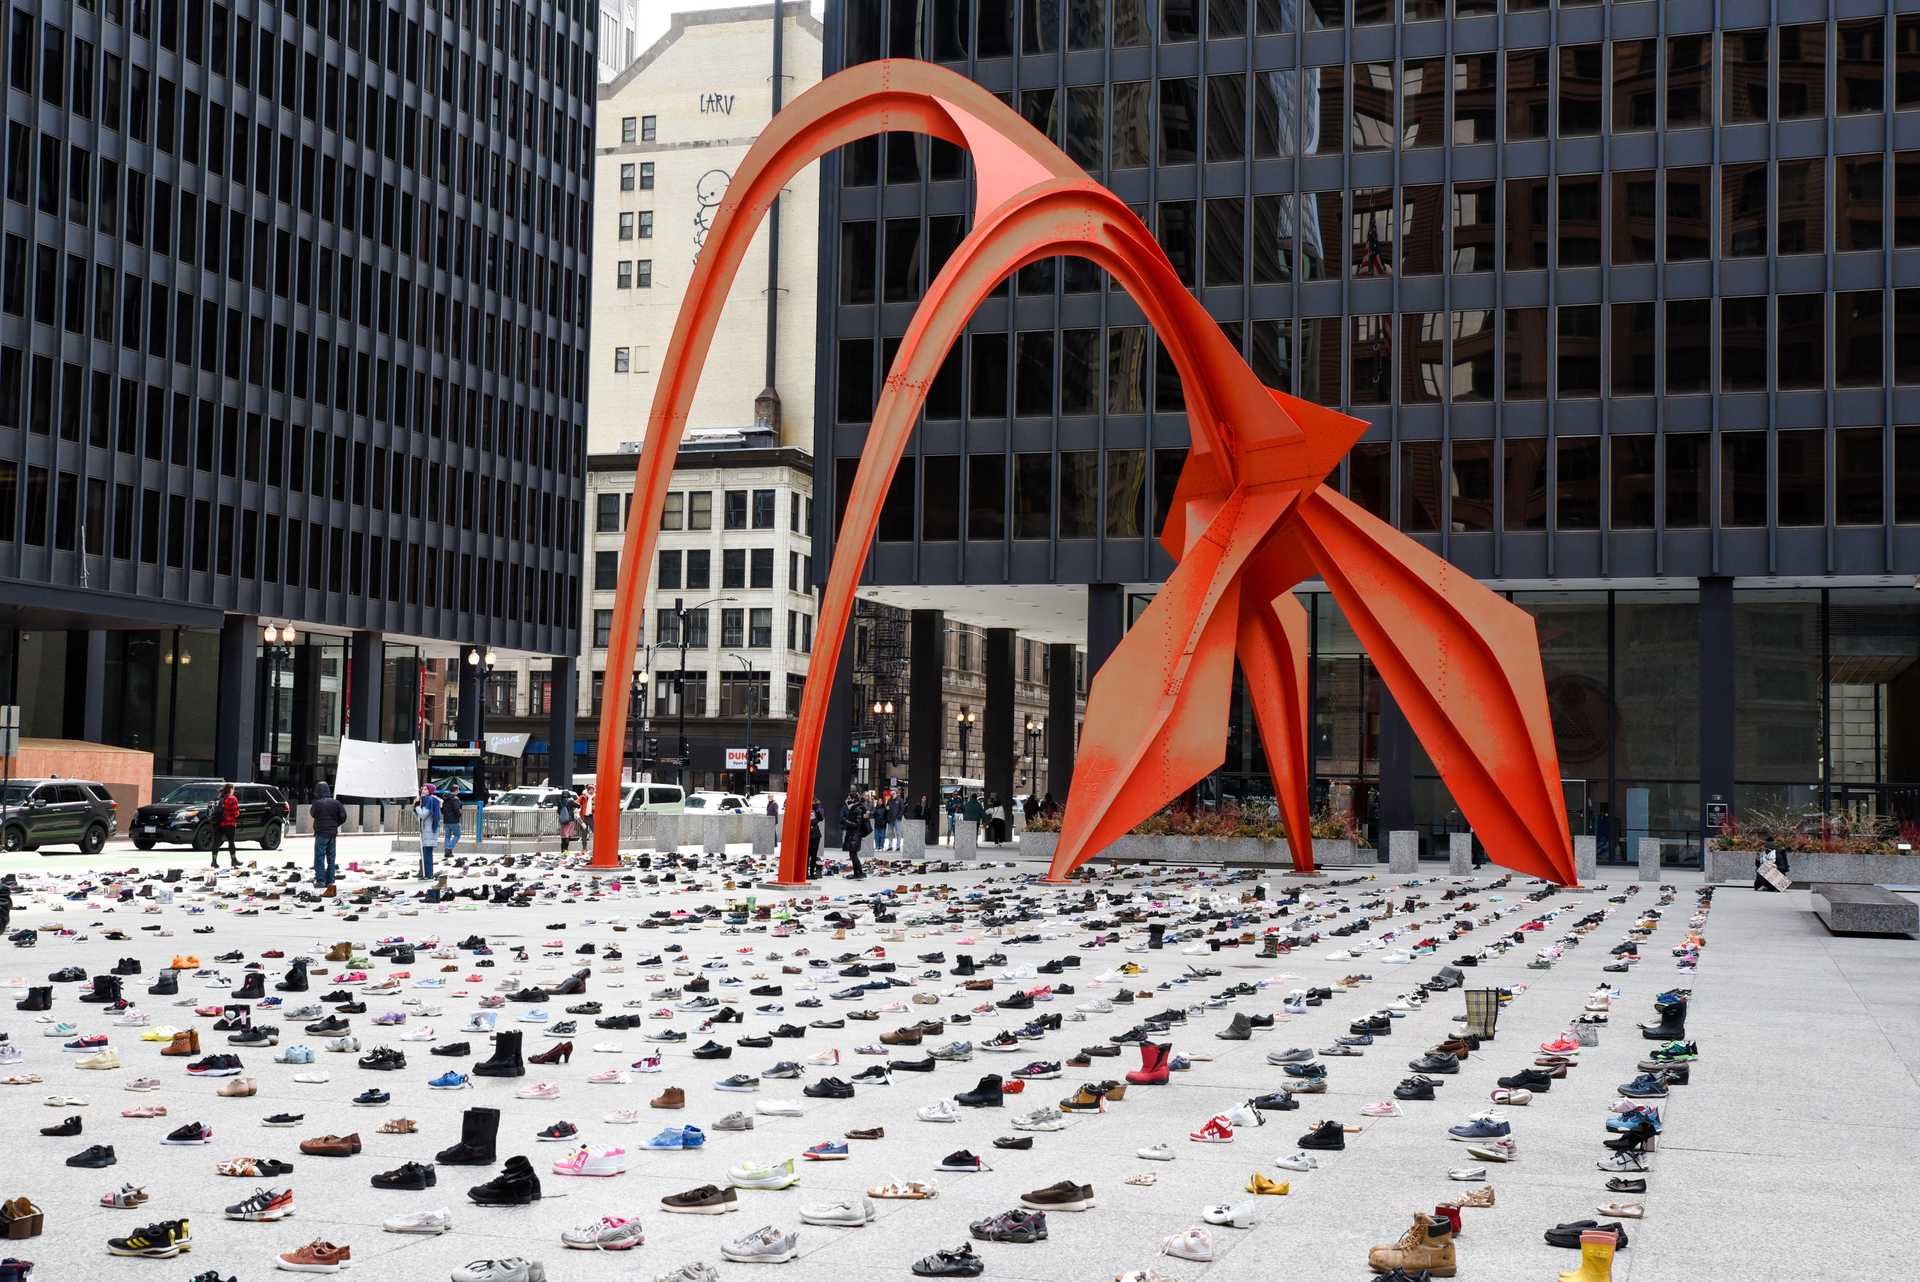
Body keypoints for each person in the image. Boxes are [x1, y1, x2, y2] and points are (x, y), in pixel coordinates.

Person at [309, 782, 347, 895]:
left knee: (319, 857)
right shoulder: (337, 803)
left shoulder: (317, 803)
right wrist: (335, 824)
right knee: (331, 857)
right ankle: (330, 880)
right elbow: (343, 816)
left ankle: (321, 880)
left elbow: (313, 814)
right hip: (332, 833)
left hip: (321, 833)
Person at [415, 784, 442, 880]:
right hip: (426, 831)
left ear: (430, 791)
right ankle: (426, 874)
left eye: (426, 789)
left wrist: (417, 807)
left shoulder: (430, 801)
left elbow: (423, 815)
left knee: (427, 854)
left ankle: (429, 875)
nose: (423, 790)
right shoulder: (426, 801)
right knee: (425, 853)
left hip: (429, 831)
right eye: (423, 789)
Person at [840, 792, 869, 880]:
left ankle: (859, 873)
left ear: (853, 799)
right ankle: (857, 873)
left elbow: (857, 824)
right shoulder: (853, 808)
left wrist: (845, 821)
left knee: (853, 854)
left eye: (849, 798)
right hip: (852, 834)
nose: (847, 800)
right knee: (852, 854)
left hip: (855, 834)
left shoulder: (857, 809)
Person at [212, 783, 241, 869]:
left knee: (216, 842)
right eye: (233, 789)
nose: (234, 791)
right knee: (231, 842)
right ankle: (233, 860)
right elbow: (236, 813)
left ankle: (214, 861)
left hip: (217, 823)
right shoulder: (232, 799)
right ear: (231, 789)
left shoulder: (219, 798)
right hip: (229, 823)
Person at [440, 787, 464, 859]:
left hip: (446, 820)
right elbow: (457, 810)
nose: (459, 791)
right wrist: (460, 814)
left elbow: (442, 810)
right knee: (457, 835)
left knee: (447, 836)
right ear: (456, 790)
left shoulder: (445, 798)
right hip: (454, 820)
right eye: (458, 790)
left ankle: (447, 852)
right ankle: (449, 849)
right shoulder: (455, 799)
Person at [555, 789, 579, 855]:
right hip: (570, 821)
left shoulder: (560, 802)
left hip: (563, 821)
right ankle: (566, 850)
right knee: (567, 836)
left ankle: (562, 851)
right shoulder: (571, 801)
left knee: (563, 836)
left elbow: (558, 811)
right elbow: (579, 805)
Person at [807, 801, 824, 879]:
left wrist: (816, 809)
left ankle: (812, 873)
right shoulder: (805, 808)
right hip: (807, 835)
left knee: (814, 855)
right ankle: (805, 873)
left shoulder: (816, 809)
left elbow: (821, 818)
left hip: (815, 835)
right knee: (807, 856)